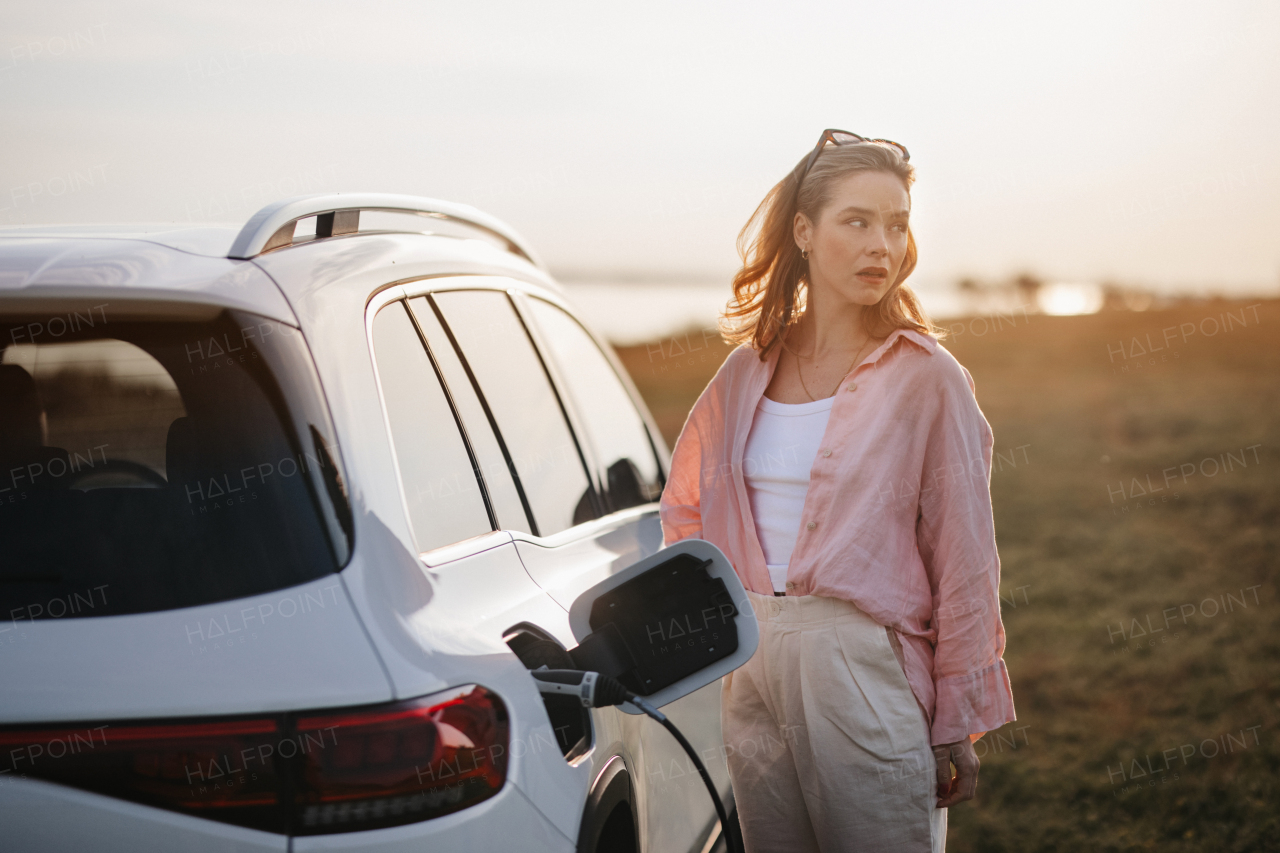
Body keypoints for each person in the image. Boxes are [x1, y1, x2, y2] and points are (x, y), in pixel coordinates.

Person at [659, 130, 1016, 852]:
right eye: (857, 221)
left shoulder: (927, 377)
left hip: (864, 661)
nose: (881, 244)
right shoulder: (744, 372)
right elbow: (688, 510)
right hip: (754, 660)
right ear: (804, 231)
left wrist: (957, 716)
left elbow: (965, 555)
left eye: (897, 224)